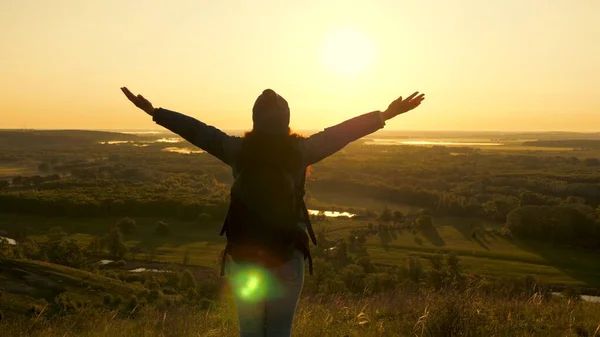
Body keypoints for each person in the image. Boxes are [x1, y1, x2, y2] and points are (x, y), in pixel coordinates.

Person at [121, 86, 425, 336]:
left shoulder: (237, 150)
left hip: (245, 258)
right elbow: (341, 133)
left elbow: (200, 132)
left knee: (251, 333)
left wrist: (154, 112)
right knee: (279, 332)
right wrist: (385, 115)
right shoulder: (301, 151)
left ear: (255, 120)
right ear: (286, 119)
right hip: (287, 257)